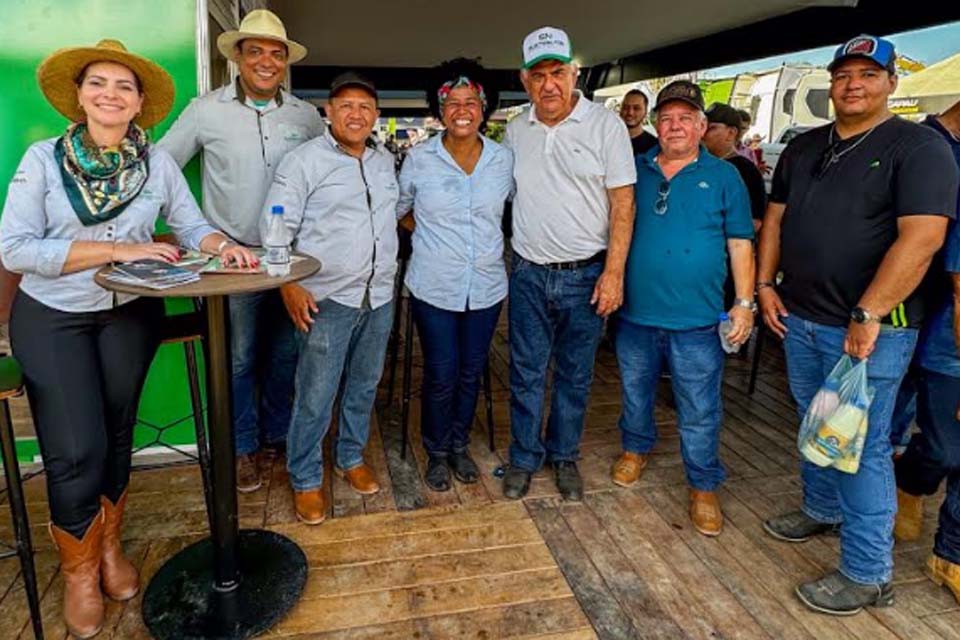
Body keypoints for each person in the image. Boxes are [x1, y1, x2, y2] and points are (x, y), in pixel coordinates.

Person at [0, 40, 257, 638]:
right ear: (80, 95)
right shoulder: (43, 160)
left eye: (123, 87)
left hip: (130, 314)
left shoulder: (158, 165)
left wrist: (224, 246)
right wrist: (119, 249)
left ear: (140, 103)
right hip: (53, 317)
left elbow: (190, 226)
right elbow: (15, 249)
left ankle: (108, 549)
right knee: (75, 450)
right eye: (99, 84)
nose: (110, 95)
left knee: (117, 437)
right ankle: (78, 575)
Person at [757, 34, 958, 615]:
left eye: (869, 74)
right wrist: (766, 286)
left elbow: (923, 238)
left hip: (871, 329)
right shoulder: (806, 146)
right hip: (801, 318)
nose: (853, 84)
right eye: (844, 73)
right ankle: (822, 509)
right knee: (817, 424)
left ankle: (868, 574)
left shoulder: (918, 147)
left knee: (861, 447)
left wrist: (868, 311)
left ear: (892, 82)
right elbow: (775, 221)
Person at [158, 9, 325, 492]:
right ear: (237, 57)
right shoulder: (205, 110)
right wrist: (190, 233)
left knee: (287, 353)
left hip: (293, 260)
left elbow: (327, 173)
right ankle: (243, 448)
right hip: (232, 262)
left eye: (276, 53)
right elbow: (162, 168)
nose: (267, 62)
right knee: (237, 359)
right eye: (256, 52)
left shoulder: (305, 116)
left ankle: (276, 435)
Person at [611, 81, 755, 537]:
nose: (674, 126)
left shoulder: (726, 176)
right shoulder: (634, 170)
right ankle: (636, 449)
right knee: (635, 392)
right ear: (656, 123)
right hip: (636, 313)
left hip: (697, 320)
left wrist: (745, 303)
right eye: (666, 118)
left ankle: (703, 483)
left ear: (701, 126)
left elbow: (739, 243)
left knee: (699, 406)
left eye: (685, 119)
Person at [502, 26, 636, 501]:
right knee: (526, 371)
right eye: (538, 75)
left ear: (574, 72)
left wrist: (614, 272)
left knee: (576, 375)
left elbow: (623, 203)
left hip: (586, 274)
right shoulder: (516, 130)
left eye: (558, 72)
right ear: (525, 81)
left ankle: (564, 457)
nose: (549, 84)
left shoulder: (605, 125)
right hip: (528, 273)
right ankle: (523, 457)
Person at [263, 72, 397, 525]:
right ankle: (304, 478)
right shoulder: (303, 161)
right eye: (346, 105)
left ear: (375, 115)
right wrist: (287, 283)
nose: (355, 114)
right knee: (316, 393)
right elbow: (277, 226)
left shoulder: (383, 161)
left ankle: (350, 457)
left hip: (378, 296)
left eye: (364, 107)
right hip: (326, 299)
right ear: (328, 111)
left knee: (363, 384)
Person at [396, 59, 514, 492]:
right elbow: (400, 209)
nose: (462, 109)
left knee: (471, 370)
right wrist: (429, 232)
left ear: (483, 109)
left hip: (485, 284)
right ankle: (437, 451)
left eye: (471, 102)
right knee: (441, 372)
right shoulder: (419, 158)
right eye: (452, 102)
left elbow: (515, 207)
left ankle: (460, 444)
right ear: (439, 110)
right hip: (433, 284)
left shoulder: (503, 160)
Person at [892, 97, 960, 604]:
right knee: (943, 446)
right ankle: (911, 481)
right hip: (948, 344)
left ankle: (951, 556)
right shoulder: (927, 144)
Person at [704, 102, 767, 230]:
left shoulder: (746, 171)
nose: (703, 133)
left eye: (711, 128)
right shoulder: (696, 165)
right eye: (701, 127)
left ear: (731, 133)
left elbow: (755, 221)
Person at [620, 88, 658, 156]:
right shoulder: (609, 140)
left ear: (645, 112)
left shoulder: (654, 146)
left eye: (636, 108)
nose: (630, 113)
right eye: (626, 107)